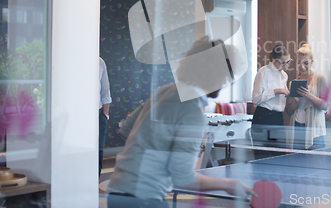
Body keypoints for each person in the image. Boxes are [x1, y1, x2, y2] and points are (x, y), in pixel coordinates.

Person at [106, 38, 255, 207]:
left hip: (117, 190)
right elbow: (183, 178)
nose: (227, 83)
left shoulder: (163, 91)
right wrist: (228, 184)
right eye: (227, 77)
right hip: (143, 197)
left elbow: (127, 129)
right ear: (216, 74)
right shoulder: (192, 110)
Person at [285, 44, 329, 150]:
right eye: (299, 62)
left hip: (314, 129)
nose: (302, 66)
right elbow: (289, 111)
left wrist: (309, 95)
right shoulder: (293, 83)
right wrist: (295, 102)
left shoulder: (320, 79)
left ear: (312, 62)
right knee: (296, 162)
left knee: (316, 163)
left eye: (306, 63)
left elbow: (325, 105)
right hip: (297, 127)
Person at [251, 45, 291, 158]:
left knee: (280, 156)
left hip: (278, 117)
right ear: (273, 60)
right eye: (283, 63)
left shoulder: (284, 75)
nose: (286, 66)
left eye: (288, 62)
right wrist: (276, 91)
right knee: (261, 157)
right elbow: (255, 99)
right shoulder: (263, 72)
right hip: (263, 116)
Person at [99, 57, 111, 180]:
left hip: (98, 115)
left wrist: (104, 114)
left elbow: (105, 91)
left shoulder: (100, 62)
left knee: (99, 152)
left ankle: (95, 181)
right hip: (79, 115)